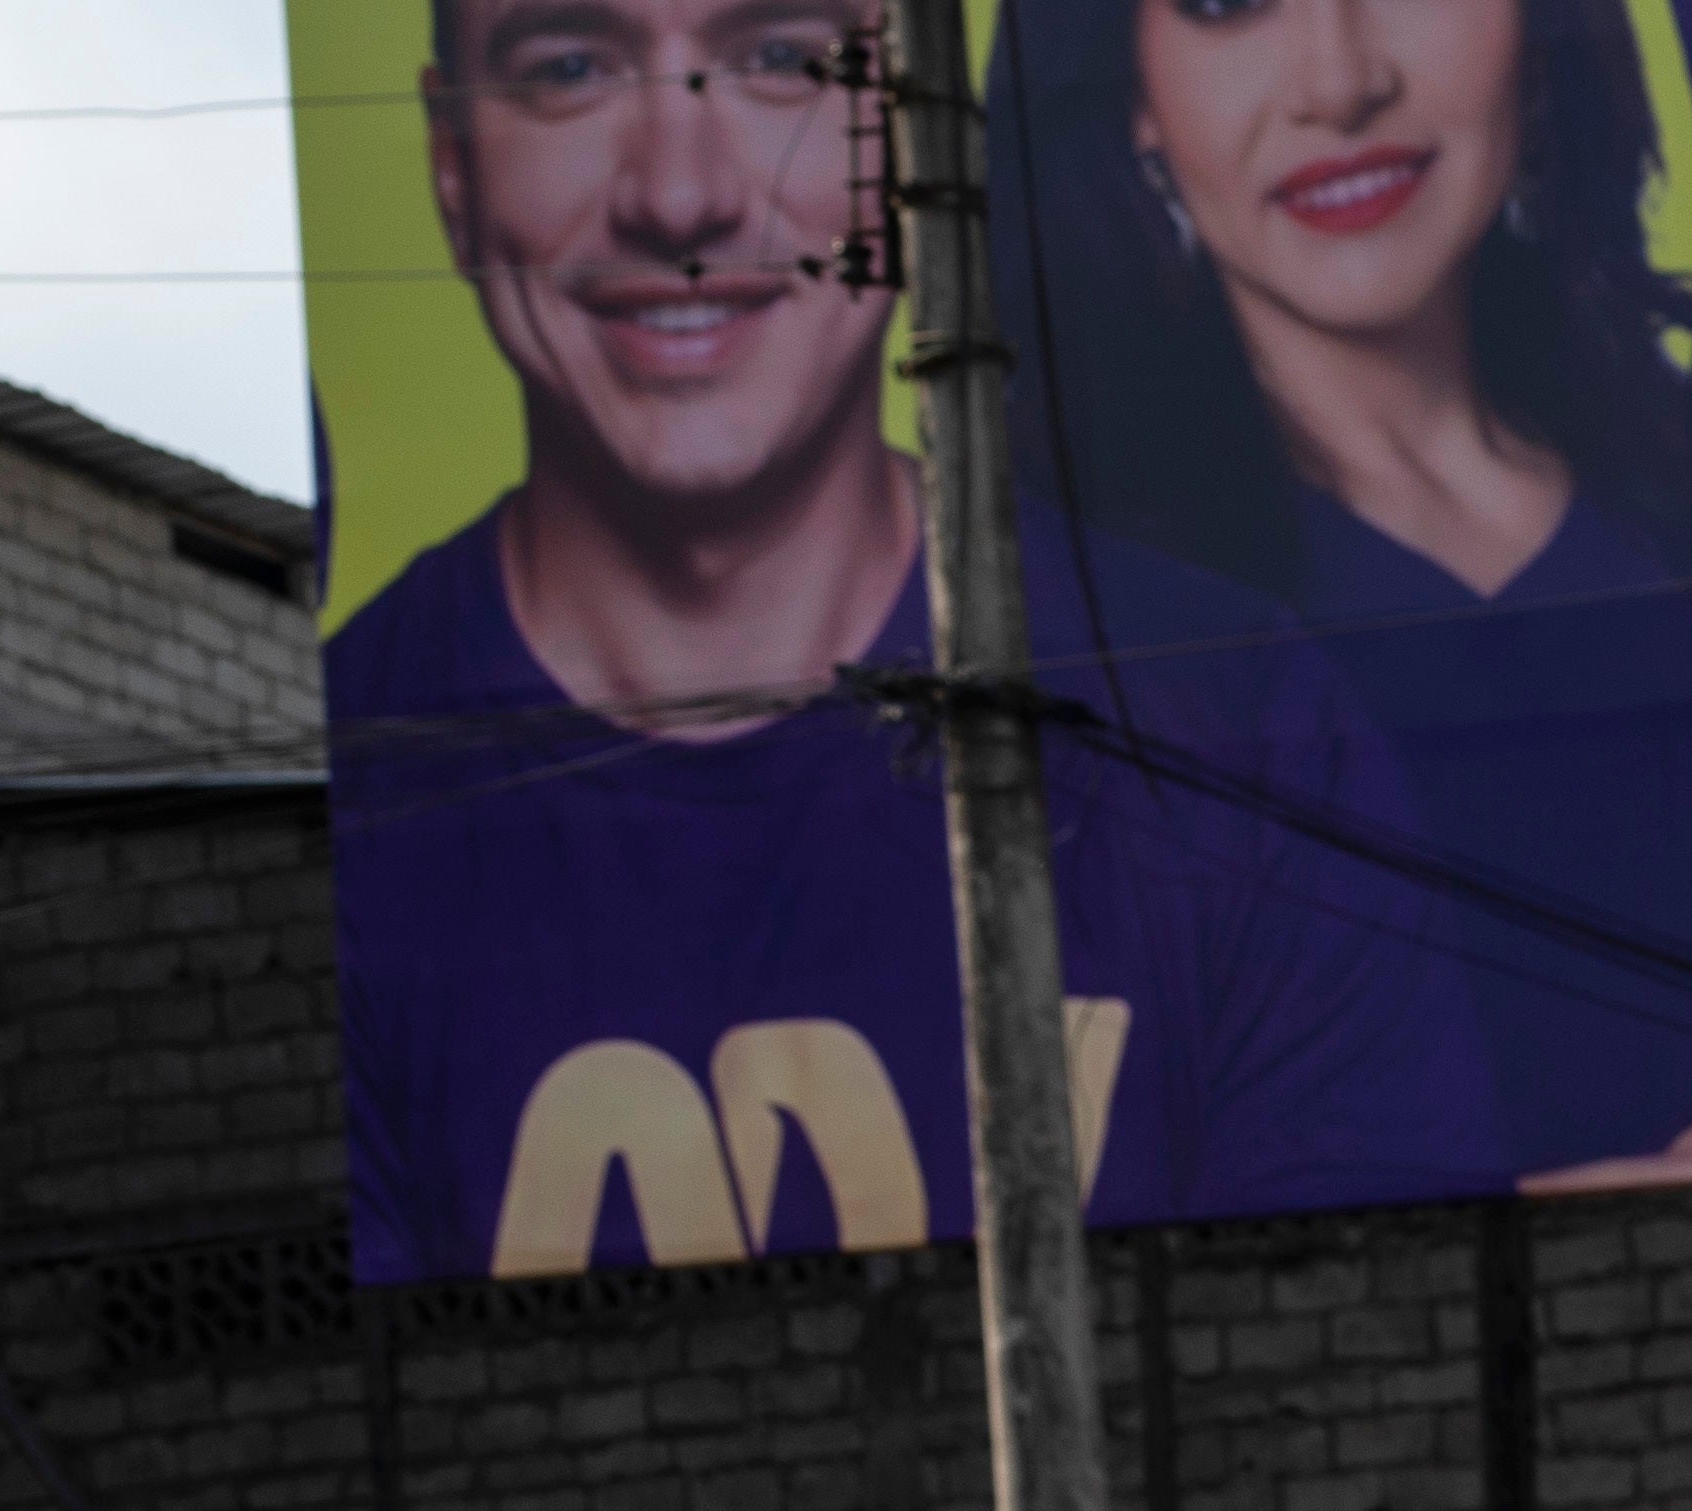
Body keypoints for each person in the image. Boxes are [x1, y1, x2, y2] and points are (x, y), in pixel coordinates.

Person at [334, 0, 1486, 1280]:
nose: (679, 196)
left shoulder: (1242, 721)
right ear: (452, 165)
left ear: (922, 139)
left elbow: (1367, 1336)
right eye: (568, 69)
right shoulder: (344, 799)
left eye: (784, 61)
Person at [1009, 0, 1692, 1185]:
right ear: (1131, 91)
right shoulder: (1074, 617)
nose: (1339, 81)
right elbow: (1159, 1283)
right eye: (1225, 4)